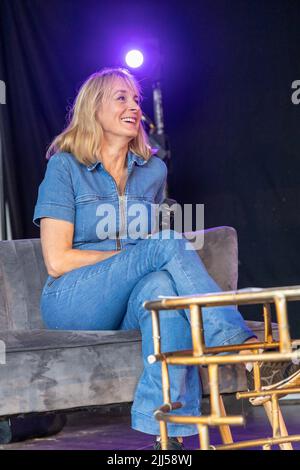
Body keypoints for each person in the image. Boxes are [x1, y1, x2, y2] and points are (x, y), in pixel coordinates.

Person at [33, 67, 298, 450]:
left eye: (136, 99)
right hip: (72, 299)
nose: (134, 106)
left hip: (128, 297)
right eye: (121, 98)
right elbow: (56, 260)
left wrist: (144, 257)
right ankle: (244, 349)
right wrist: (134, 256)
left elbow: (153, 259)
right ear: (94, 109)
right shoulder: (65, 166)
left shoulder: (153, 170)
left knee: (162, 293)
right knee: (164, 246)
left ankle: (167, 438)